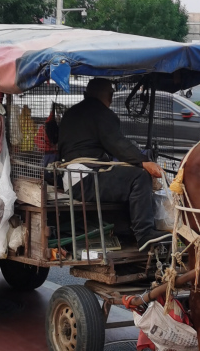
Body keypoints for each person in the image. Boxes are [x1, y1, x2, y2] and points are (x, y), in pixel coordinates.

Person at [56, 78, 163, 248]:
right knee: (139, 177)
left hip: (71, 179)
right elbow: (117, 144)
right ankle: (144, 234)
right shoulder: (101, 113)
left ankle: (125, 231)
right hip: (86, 179)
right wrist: (144, 162)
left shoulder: (71, 113)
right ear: (110, 96)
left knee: (125, 177)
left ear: (86, 94)